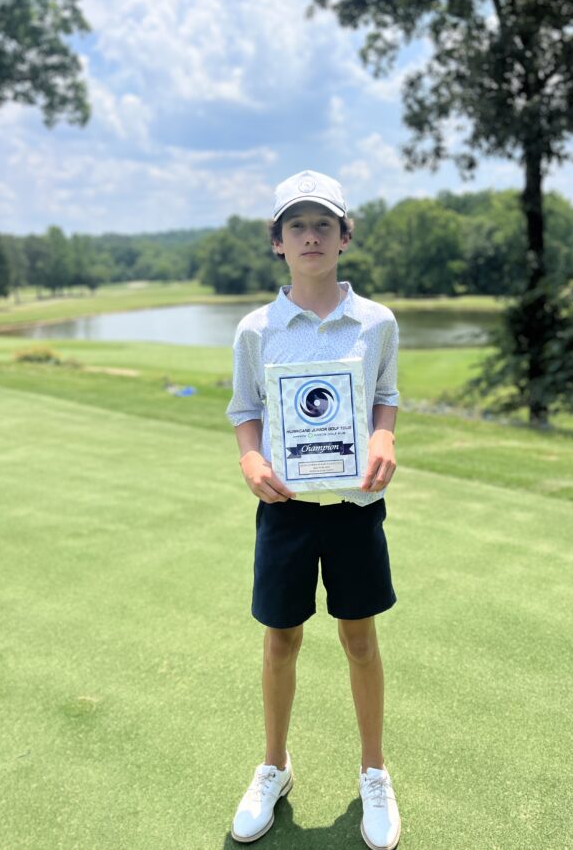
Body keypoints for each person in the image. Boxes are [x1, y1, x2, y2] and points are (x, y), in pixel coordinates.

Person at [226, 170, 401, 849]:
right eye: (296, 226)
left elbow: (385, 395)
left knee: (359, 639)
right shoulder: (256, 329)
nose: (310, 236)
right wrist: (250, 458)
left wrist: (384, 435)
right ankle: (274, 765)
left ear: (344, 236)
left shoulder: (377, 322)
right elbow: (245, 410)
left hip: (354, 505)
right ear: (277, 241)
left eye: (323, 224)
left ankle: (374, 771)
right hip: (287, 509)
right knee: (281, 639)